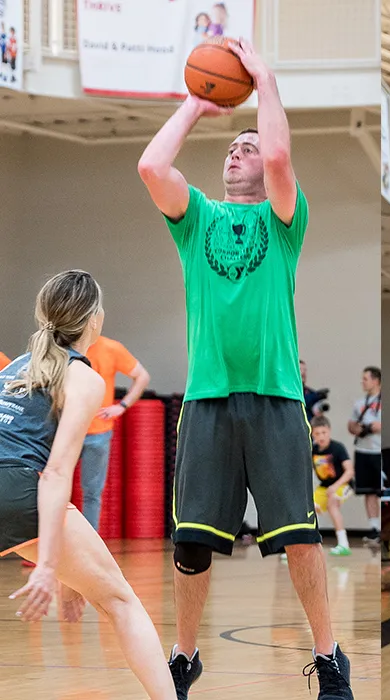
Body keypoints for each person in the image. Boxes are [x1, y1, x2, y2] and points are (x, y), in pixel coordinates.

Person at [136, 37, 353, 698]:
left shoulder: (286, 218)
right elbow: (151, 165)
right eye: (234, 147)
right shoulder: (195, 216)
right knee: (192, 544)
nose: (239, 151)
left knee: (300, 540)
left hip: (275, 396)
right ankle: (184, 656)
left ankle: (329, 659)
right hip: (206, 398)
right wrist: (195, 104)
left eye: (248, 145)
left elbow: (282, 153)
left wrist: (262, 80)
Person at [1, 271, 175, 699]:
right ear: (94, 318)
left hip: (11, 487)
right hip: (21, 489)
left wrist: (66, 575)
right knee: (121, 602)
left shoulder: (14, 367)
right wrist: (47, 565)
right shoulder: (84, 378)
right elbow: (58, 472)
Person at [80, 331, 150, 529]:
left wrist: (122, 405)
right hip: (67, 429)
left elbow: (142, 376)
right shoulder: (65, 346)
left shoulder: (111, 348)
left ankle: (89, 545)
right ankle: (50, 546)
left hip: (99, 432)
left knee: (92, 492)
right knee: (54, 487)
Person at [309, 417, 354, 556]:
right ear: (312, 435)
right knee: (308, 509)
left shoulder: (337, 448)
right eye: (317, 433)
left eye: (323, 432)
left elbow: (350, 472)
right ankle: (305, 546)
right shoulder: (313, 450)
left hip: (343, 484)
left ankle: (343, 544)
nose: (321, 436)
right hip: (324, 486)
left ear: (329, 431)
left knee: (332, 504)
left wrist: (335, 487)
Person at [348, 367, 382, 542]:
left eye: (366, 379)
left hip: (379, 452)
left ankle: (388, 528)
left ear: (376, 380)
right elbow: (351, 426)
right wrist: (360, 429)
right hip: (363, 451)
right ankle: (374, 528)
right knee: (368, 491)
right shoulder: (359, 403)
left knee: (382, 490)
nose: (363, 382)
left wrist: (374, 427)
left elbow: (379, 426)